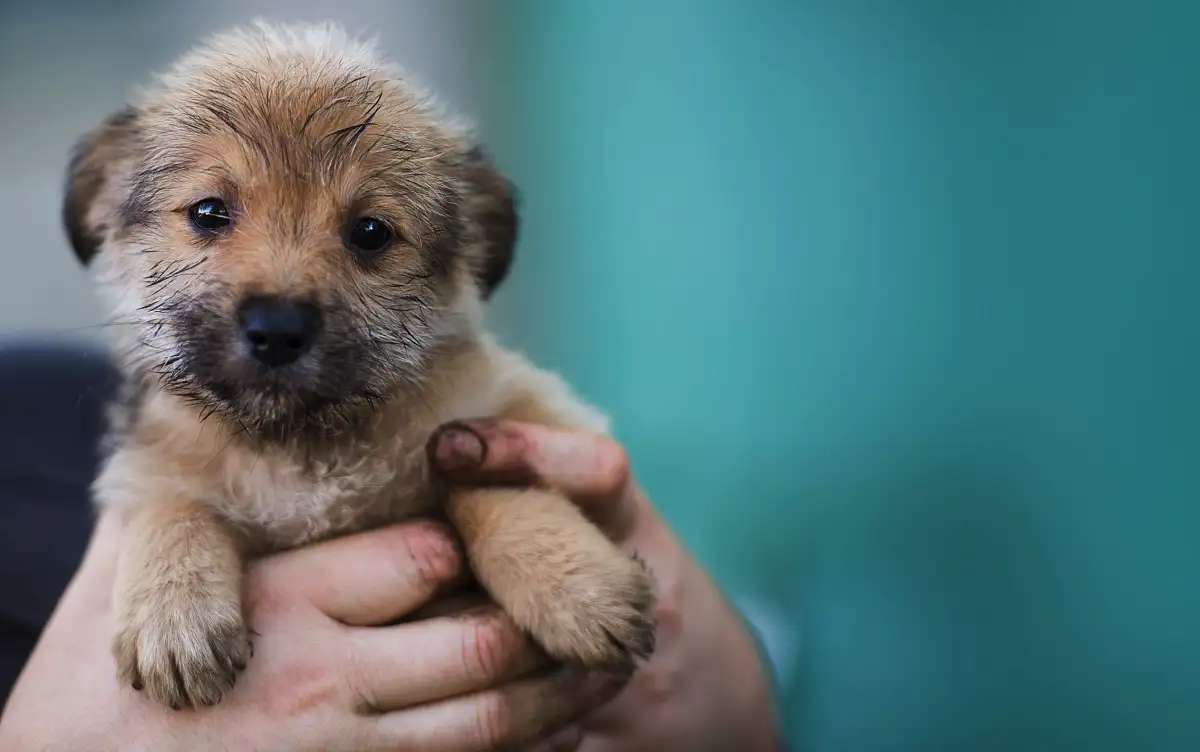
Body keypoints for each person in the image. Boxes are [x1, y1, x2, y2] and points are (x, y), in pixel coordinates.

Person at [0, 341, 781, 751]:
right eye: (211, 216)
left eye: (369, 234)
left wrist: (743, 707)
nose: (282, 284)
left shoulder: (46, 409)